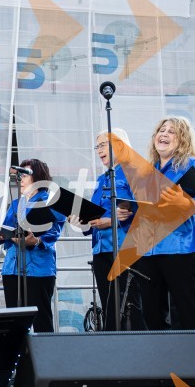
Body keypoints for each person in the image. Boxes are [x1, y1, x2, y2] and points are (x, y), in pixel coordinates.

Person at [139, 117, 195, 330]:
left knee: (187, 311)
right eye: (162, 130)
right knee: (151, 314)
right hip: (149, 250)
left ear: (182, 139)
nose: (164, 134)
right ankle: (160, 352)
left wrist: (184, 202)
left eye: (171, 131)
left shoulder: (190, 164)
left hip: (179, 249)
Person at [72, 129, 144, 331]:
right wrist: (82, 221)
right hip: (101, 250)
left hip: (125, 247)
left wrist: (111, 221)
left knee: (130, 304)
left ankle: (137, 346)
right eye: (97, 147)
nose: (99, 150)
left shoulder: (134, 173)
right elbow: (95, 215)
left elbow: (144, 210)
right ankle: (113, 345)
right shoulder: (102, 179)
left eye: (103, 145)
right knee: (109, 305)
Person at [0, 159, 65, 333]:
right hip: (12, 268)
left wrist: (37, 241)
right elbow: (7, 227)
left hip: (38, 268)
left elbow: (55, 231)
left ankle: (44, 351)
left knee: (41, 320)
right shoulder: (17, 203)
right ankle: (19, 351)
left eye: (25, 175)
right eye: (20, 175)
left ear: (38, 177)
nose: (21, 179)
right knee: (14, 322)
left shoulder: (51, 201)